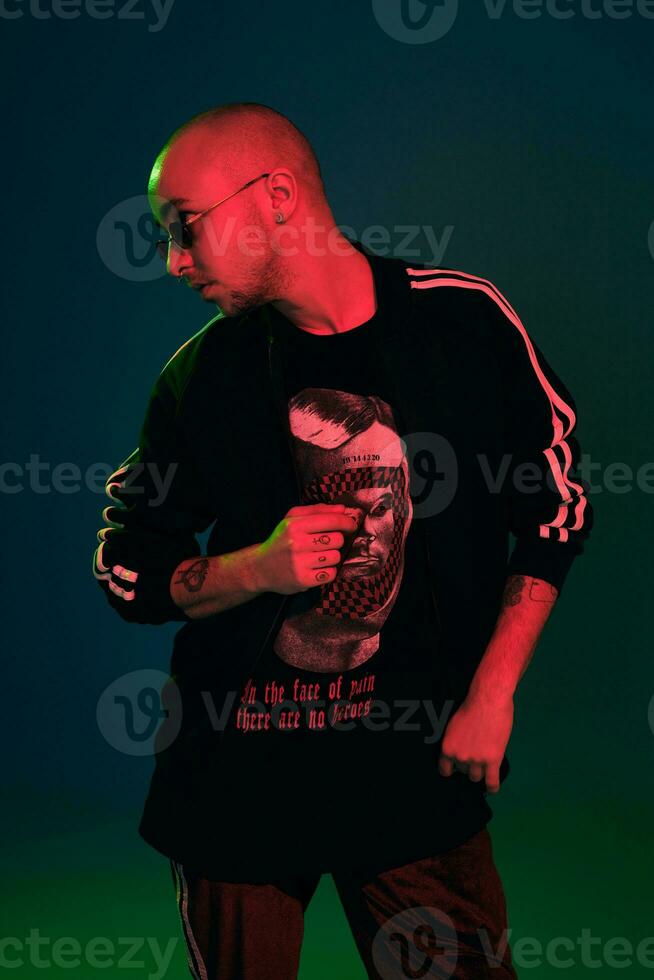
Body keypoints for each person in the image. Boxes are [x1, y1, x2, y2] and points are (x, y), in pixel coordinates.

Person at [92, 102, 594, 979]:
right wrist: (254, 568)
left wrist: (493, 692)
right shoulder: (203, 378)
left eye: (185, 228)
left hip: (414, 777)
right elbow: (128, 565)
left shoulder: (463, 326)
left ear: (276, 194)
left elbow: (556, 507)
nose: (174, 261)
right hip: (233, 791)